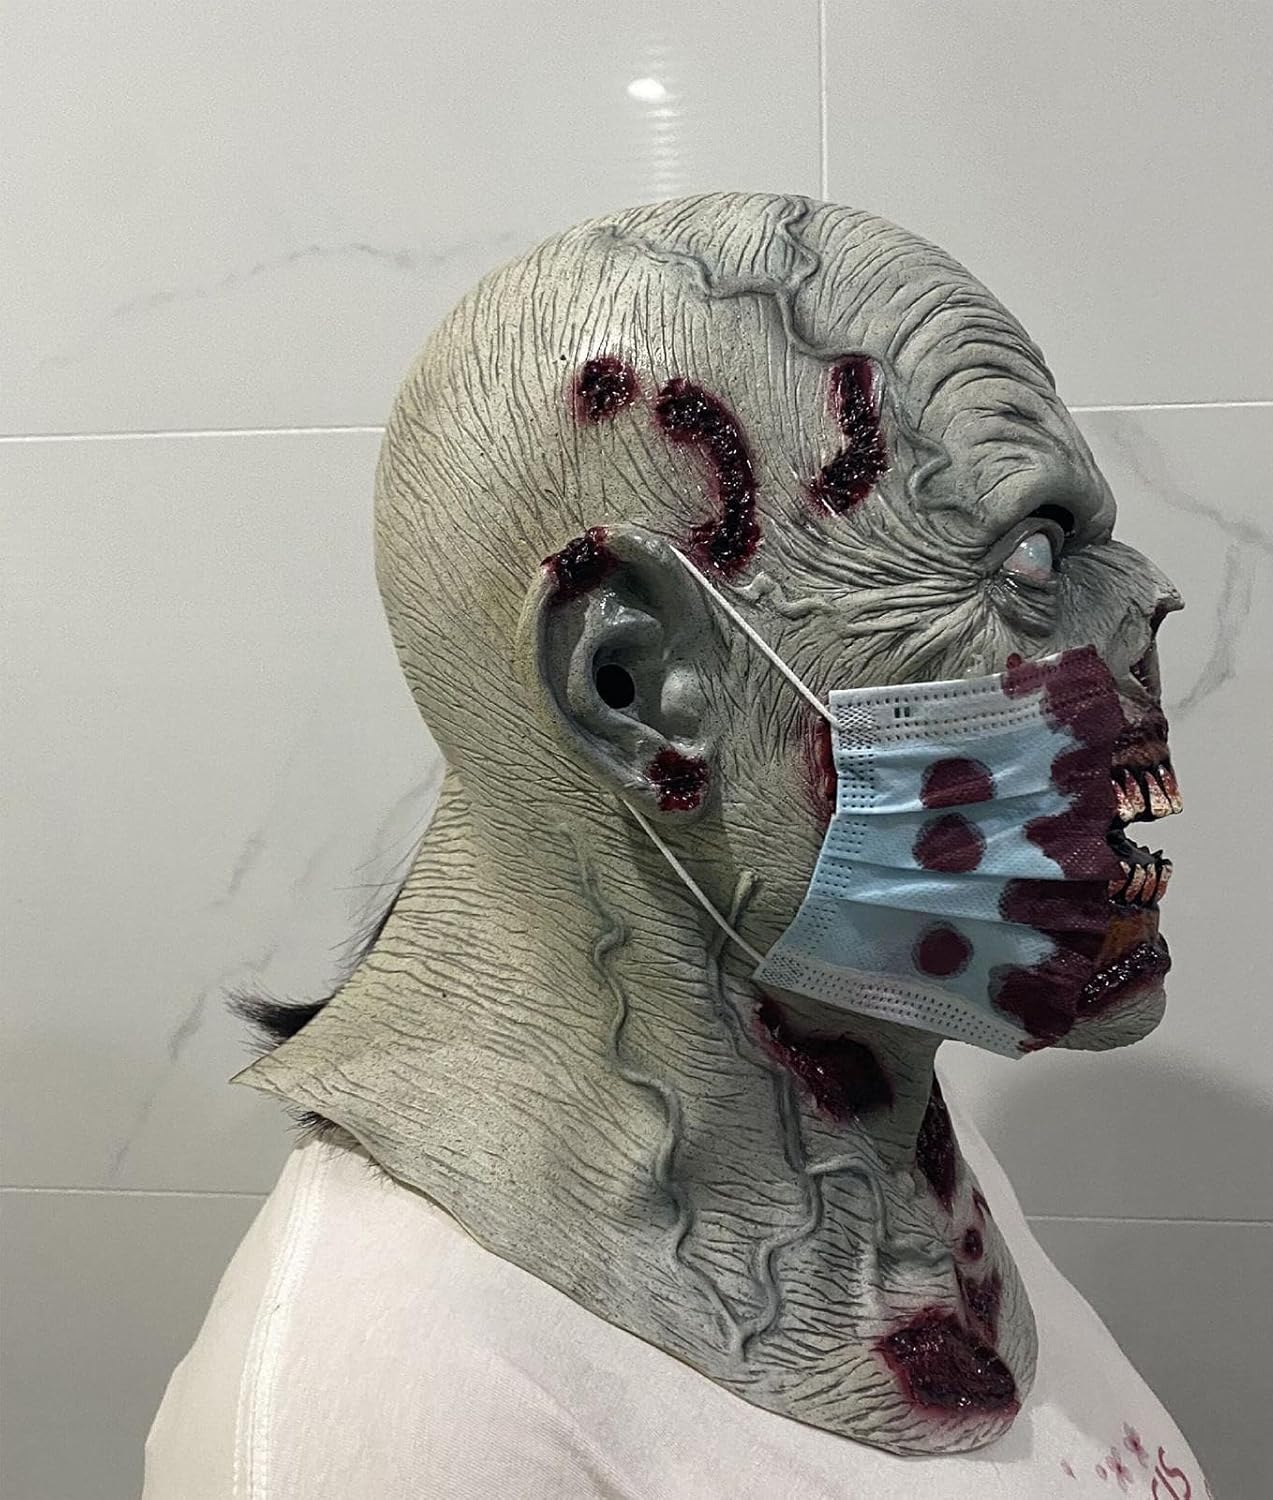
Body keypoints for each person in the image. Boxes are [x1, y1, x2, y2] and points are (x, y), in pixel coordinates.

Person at [146, 193, 1210, 1498]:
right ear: (640, 689)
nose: (1150, 599)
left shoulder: (870, 1141)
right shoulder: (379, 1427)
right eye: (1034, 557)